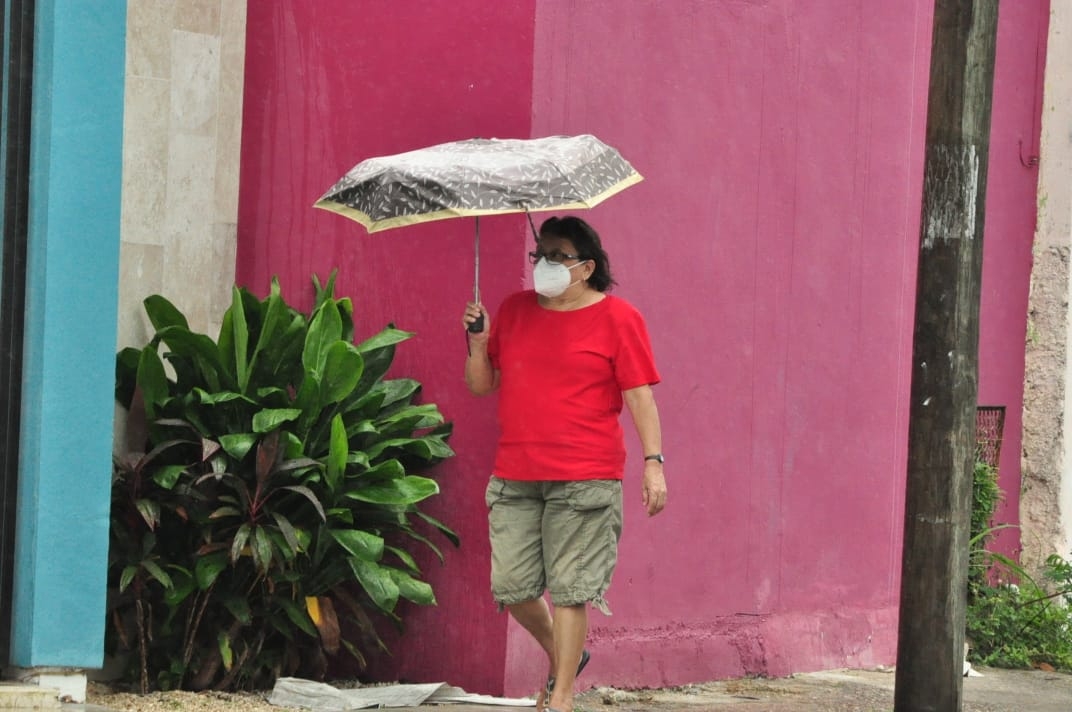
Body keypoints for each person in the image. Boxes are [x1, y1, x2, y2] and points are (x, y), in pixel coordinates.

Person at [461, 216, 667, 712]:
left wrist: (654, 462)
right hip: (515, 474)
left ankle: (562, 697)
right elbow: (482, 385)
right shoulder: (513, 310)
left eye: (558, 256)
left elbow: (639, 396)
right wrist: (476, 342)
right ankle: (564, 658)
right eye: (540, 255)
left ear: (587, 266)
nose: (544, 265)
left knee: (572, 590)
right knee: (511, 587)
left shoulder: (620, 318)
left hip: (585, 474)